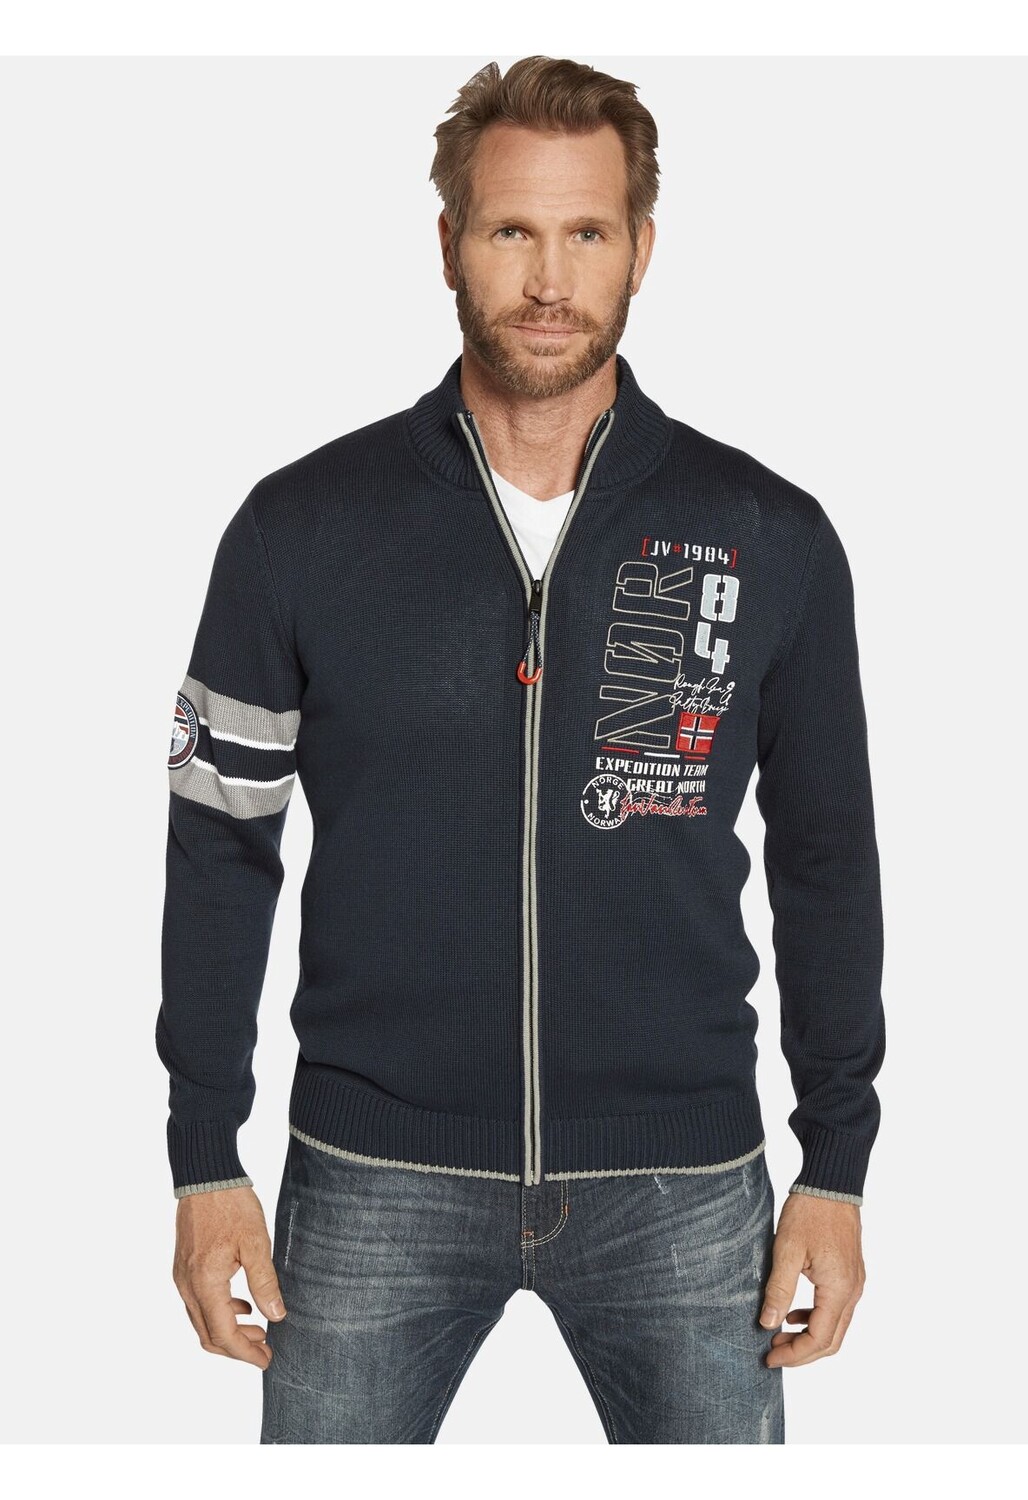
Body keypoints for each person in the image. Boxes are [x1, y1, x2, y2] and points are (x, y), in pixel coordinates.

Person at [157, 55, 885, 1445]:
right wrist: (204, 1154)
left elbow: (826, 859)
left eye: (587, 231)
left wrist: (835, 1163)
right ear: (448, 243)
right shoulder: (299, 529)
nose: (550, 279)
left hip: (681, 1181)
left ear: (641, 248)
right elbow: (218, 843)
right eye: (511, 230)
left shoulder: (767, 535)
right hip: (373, 1173)